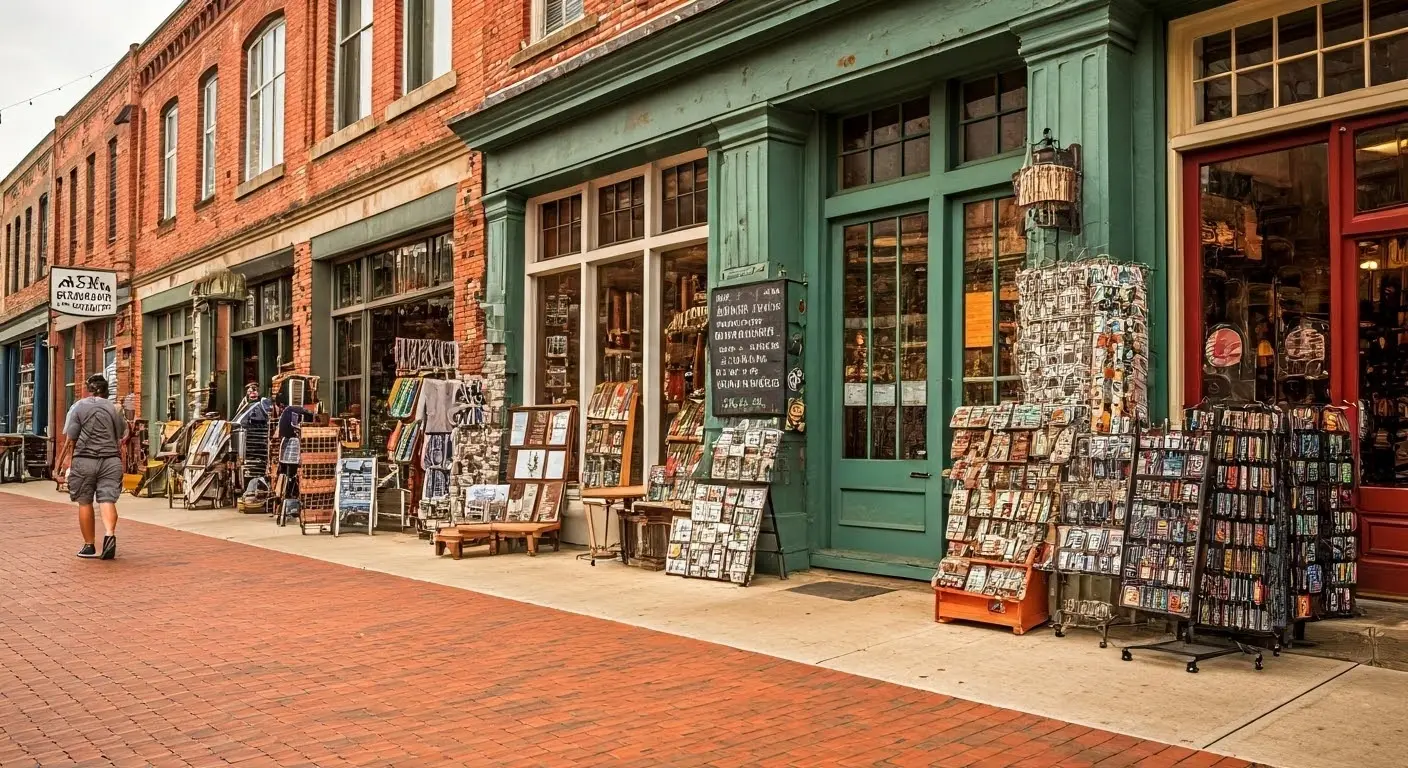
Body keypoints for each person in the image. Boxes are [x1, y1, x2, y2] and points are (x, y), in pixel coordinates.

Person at [65, 373, 127, 560]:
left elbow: (71, 437)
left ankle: (89, 546)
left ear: (88, 390)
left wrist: (67, 462)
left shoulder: (78, 407)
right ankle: (109, 535)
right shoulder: (115, 408)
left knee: (84, 501)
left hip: (84, 459)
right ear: (107, 390)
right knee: (107, 499)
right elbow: (121, 433)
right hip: (110, 460)